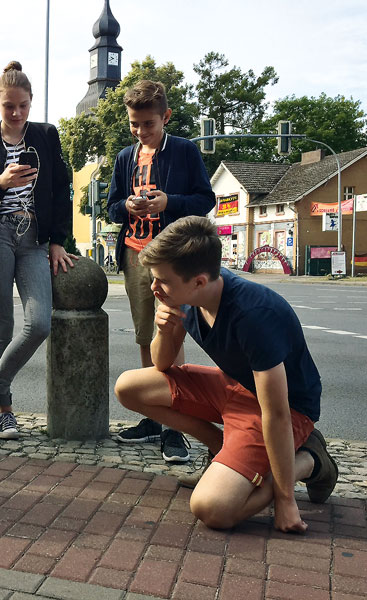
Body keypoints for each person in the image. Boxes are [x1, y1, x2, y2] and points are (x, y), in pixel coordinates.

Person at [114, 216, 338, 532]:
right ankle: (223, 450)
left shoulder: (254, 314)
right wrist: (165, 330)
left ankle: (310, 460)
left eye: (162, 281)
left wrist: (285, 501)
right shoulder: (185, 296)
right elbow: (162, 366)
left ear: (199, 282)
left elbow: (276, 413)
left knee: (213, 509)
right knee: (128, 387)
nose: (154, 288)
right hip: (233, 387)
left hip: (285, 409)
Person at [106, 80, 216, 463]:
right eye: (134, 124)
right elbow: (110, 207)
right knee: (144, 336)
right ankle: (154, 417)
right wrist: (128, 207)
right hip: (136, 256)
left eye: (148, 124)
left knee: (170, 332)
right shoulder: (125, 157)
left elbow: (205, 199)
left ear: (165, 117)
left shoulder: (184, 151)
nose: (140, 131)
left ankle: (177, 426)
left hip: (171, 259)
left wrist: (169, 203)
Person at [0, 61, 75, 439]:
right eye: (8, 106)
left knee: (39, 322)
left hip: (34, 238)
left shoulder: (46, 135)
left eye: (23, 106)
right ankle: (5, 412)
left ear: (31, 103)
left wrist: (59, 240)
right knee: (2, 328)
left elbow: (63, 189)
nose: (15, 113)